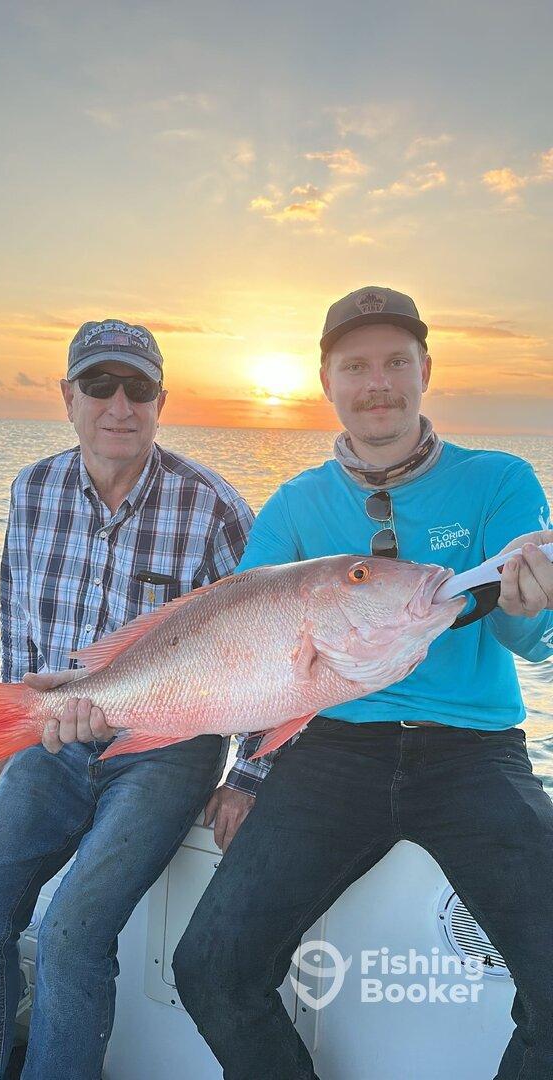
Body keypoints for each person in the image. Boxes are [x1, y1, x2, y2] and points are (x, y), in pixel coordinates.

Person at [172, 286, 553, 1080]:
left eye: (395, 362)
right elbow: (250, 649)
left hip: (475, 753)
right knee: (211, 969)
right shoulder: (296, 504)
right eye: (356, 366)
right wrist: (248, 772)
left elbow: (531, 641)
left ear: (425, 370)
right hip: (332, 751)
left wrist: (528, 607)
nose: (377, 382)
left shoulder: (498, 481)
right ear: (328, 382)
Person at [0, 319, 254, 1080]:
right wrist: (14, 725)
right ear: (68, 397)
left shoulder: (215, 508)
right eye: (99, 384)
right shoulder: (33, 487)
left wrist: (251, 775)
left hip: (166, 754)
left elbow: (273, 647)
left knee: (74, 930)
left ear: (161, 402)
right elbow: (18, 606)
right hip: (55, 739)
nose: (119, 404)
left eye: (138, 388)